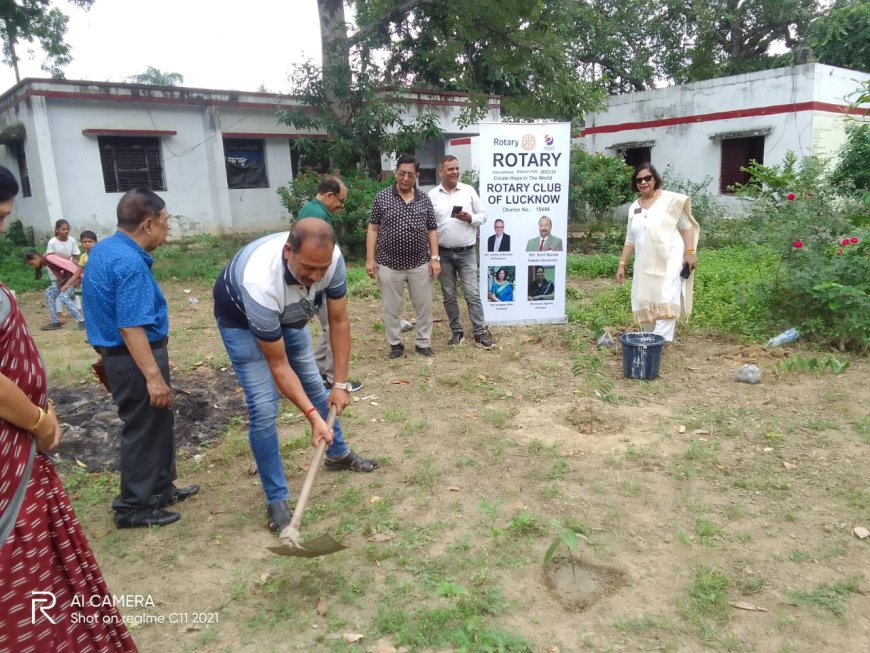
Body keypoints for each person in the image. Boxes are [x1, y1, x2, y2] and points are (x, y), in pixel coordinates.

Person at [0, 166, 138, 652]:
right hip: (12, 458)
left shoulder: (103, 255)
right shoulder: (121, 260)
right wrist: (37, 420)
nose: (0, 228)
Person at [214, 218, 379, 533]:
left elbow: (339, 322)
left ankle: (338, 453)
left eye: (322, 269)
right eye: (308, 269)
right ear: (288, 251)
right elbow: (278, 365)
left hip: (291, 313)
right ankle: (277, 499)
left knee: (316, 384)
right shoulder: (261, 282)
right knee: (263, 407)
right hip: (242, 319)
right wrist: (312, 416)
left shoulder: (331, 259)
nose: (316, 277)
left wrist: (341, 384)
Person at [82, 188, 199, 529]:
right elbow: (131, 327)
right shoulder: (129, 263)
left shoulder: (104, 250)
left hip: (120, 355)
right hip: (134, 357)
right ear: (148, 224)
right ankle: (134, 506)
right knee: (144, 427)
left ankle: (160, 487)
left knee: (158, 422)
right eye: (165, 222)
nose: (168, 229)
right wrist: (153, 376)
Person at [366, 154, 440, 358]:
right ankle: (396, 344)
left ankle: (423, 343)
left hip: (419, 264)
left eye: (410, 174)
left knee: (424, 307)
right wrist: (370, 259)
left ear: (417, 175)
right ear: (396, 174)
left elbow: (432, 229)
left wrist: (435, 258)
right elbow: (373, 229)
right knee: (391, 308)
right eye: (401, 174)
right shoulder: (382, 197)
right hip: (389, 264)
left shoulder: (424, 199)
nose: (405, 178)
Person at [615, 163, 700, 342]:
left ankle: (661, 340)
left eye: (647, 178)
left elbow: (687, 226)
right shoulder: (633, 208)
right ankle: (650, 338)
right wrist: (622, 264)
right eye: (639, 180)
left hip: (669, 259)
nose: (643, 182)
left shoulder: (670, 201)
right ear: (635, 183)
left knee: (666, 295)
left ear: (655, 179)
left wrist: (690, 252)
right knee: (645, 296)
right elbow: (630, 239)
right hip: (644, 262)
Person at [295, 175, 362, 392]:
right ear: (329, 195)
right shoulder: (318, 216)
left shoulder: (312, 210)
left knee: (327, 328)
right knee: (334, 327)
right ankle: (333, 379)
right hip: (321, 283)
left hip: (316, 282)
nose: (341, 206)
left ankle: (315, 372)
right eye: (340, 201)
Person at [428, 155, 493, 349]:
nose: (455, 172)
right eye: (450, 169)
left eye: (457, 168)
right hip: (444, 254)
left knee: (472, 293)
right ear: (441, 172)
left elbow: (483, 216)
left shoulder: (468, 191)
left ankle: (480, 332)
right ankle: (457, 332)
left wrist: (470, 218)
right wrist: (434, 257)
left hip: (466, 252)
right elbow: (429, 227)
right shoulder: (432, 195)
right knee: (448, 295)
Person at [23, 250, 85, 330]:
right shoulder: (45, 262)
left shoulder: (49, 257)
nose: (33, 266)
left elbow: (73, 268)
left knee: (63, 296)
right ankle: (55, 322)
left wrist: (67, 285)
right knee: (49, 292)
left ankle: (81, 321)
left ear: (35, 257)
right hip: (67, 278)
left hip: (76, 277)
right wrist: (60, 285)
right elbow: (58, 274)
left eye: (32, 264)